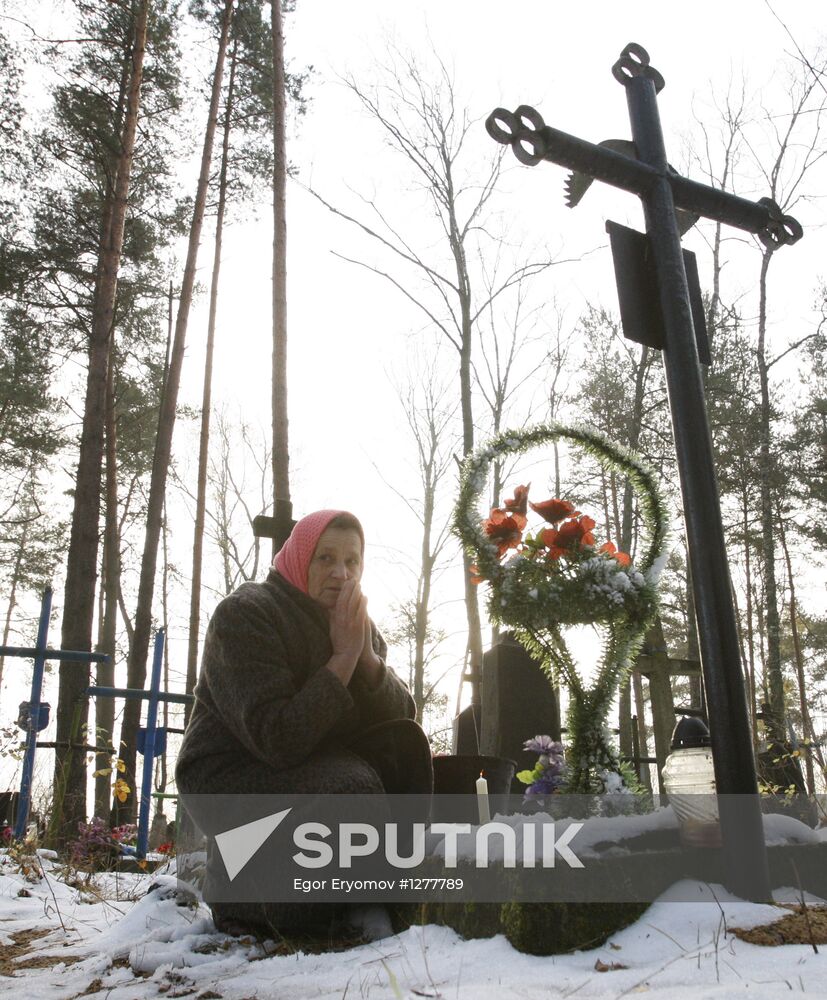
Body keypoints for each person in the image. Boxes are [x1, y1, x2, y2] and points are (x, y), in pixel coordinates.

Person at [176, 509, 433, 938]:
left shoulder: (354, 623)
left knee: (402, 760)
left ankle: (374, 898)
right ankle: (255, 903)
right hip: (230, 774)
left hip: (315, 768)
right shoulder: (245, 614)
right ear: (299, 559)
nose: (340, 573)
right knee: (350, 787)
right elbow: (277, 738)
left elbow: (400, 722)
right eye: (325, 558)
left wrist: (366, 660)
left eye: (352, 562)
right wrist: (342, 659)